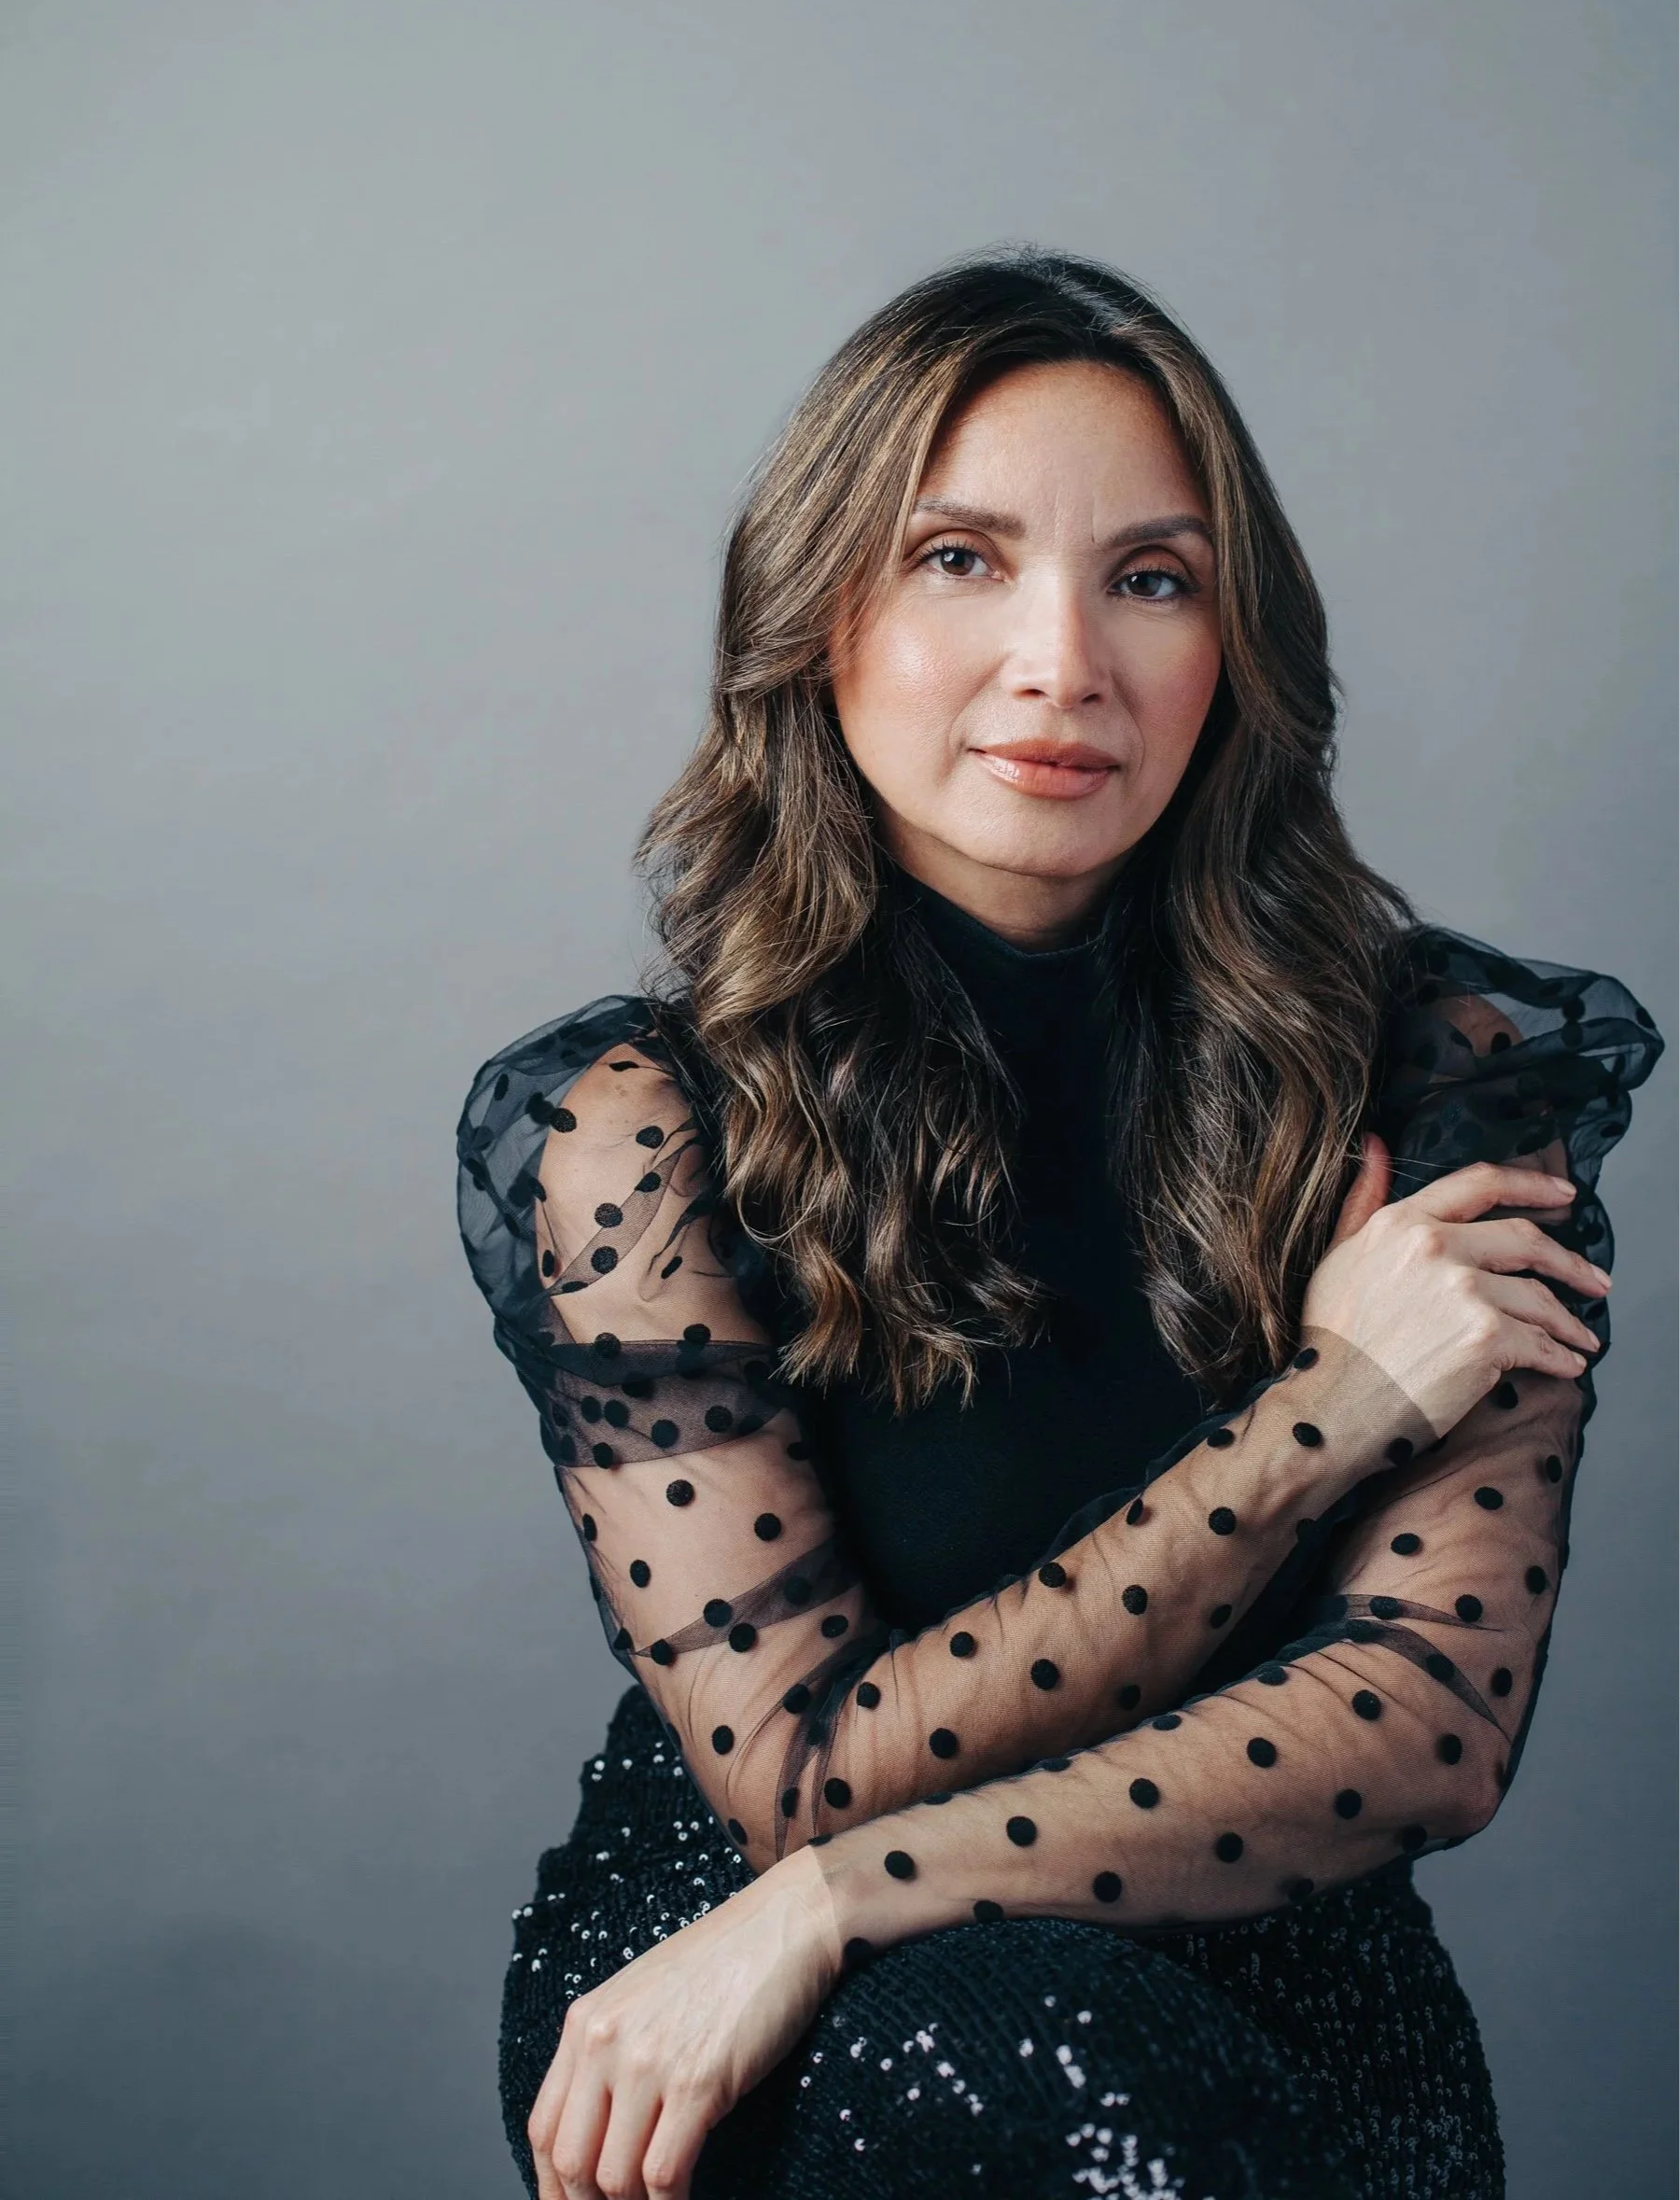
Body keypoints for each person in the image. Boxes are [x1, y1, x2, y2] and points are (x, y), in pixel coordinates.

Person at [455, 251, 1662, 2200]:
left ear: (1234, 650)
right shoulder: (641, 1133)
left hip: (1278, 1975)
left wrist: (857, 1889)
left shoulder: (1438, 1076)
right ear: (817, 609)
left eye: (1153, 578)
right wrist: (1335, 1403)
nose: (1064, 661)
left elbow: (1429, 1716)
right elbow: (803, 1782)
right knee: (1033, 2070)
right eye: (960, 558)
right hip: (747, 1987)